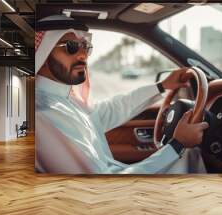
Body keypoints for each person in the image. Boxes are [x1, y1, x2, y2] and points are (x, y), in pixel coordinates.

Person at [35, 15, 209, 174]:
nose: (83, 55)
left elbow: (112, 109)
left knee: (190, 155)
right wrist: (177, 145)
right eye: (71, 47)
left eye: (84, 46)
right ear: (41, 55)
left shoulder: (65, 100)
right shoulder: (42, 114)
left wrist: (162, 86)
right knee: (190, 156)